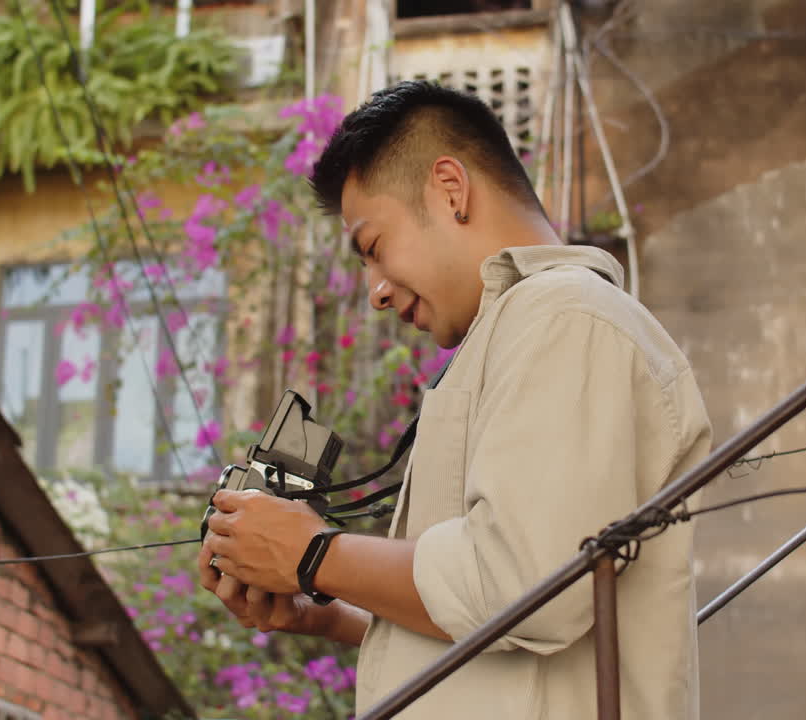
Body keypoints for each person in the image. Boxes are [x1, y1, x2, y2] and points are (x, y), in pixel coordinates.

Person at [198, 80, 712, 719]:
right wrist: (324, 610)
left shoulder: (565, 316)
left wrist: (314, 552)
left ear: (450, 188)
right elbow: (493, 624)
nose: (376, 293)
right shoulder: (519, 330)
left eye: (374, 248)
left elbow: (533, 589)